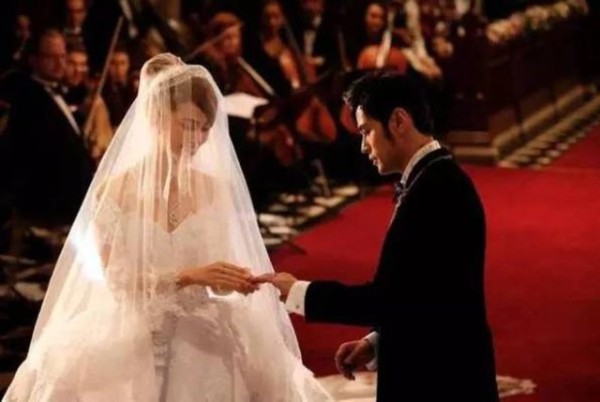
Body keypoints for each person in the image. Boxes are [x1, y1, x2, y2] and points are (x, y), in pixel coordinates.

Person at [4, 53, 332, 402]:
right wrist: (189, 276)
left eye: (205, 128)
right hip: (134, 329)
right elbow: (117, 280)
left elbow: (216, 278)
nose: (198, 138)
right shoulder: (114, 191)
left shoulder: (214, 189)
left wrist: (233, 280)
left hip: (201, 327)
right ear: (157, 117)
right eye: (188, 125)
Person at [258, 70, 499, 402]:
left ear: (398, 121)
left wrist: (300, 292)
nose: (363, 146)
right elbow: (425, 295)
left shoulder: (438, 188)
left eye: (366, 131)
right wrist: (377, 342)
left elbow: (392, 297)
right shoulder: (433, 178)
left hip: (442, 380)